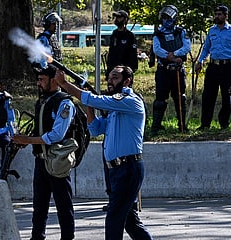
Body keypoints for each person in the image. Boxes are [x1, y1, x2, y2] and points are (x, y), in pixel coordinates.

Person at [54, 65, 153, 240]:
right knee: (129, 220)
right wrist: (89, 105)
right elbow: (95, 128)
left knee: (114, 217)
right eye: (109, 77)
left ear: (127, 81)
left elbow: (94, 99)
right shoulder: (116, 107)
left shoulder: (129, 100)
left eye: (115, 77)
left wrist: (65, 84)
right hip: (115, 170)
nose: (109, 81)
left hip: (128, 167)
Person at [13, 65, 76, 240]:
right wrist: (25, 141)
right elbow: (40, 128)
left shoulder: (65, 102)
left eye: (42, 80)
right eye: (38, 79)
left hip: (57, 160)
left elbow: (57, 135)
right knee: (39, 205)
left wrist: (29, 141)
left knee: (64, 205)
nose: (38, 83)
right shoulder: (41, 101)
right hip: (40, 160)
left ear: (54, 81)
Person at [150, 5, 191, 135]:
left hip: (178, 71)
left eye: (168, 18)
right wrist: (170, 56)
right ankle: (155, 127)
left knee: (180, 97)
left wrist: (176, 53)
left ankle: (182, 126)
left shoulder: (181, 32)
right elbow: (156, 49)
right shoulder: (158, 33)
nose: (166, 20)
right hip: (163, 70)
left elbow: (187, 47)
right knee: (160, 100)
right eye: (164, 18)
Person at [195, 5, 231, 130]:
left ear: (226, 16)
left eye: (220, 14)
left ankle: (224, 124)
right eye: (216, 14)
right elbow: (206, 48)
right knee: (208, 96)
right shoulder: (211, 31)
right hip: (213, 66)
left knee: (227, 97)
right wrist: (200, 61)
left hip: (228, 67)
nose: (217, 16)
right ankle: (205, 124)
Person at [106, 10, 138, 76]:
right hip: (113, 68)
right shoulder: (114, 34)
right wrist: (109, 68)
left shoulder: (130, 35)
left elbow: (133, 53)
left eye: (119, 17)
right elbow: (111, 51)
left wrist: (132, 68)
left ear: (125, 19)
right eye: (116, 17)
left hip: (125, 69)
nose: (117, 19)